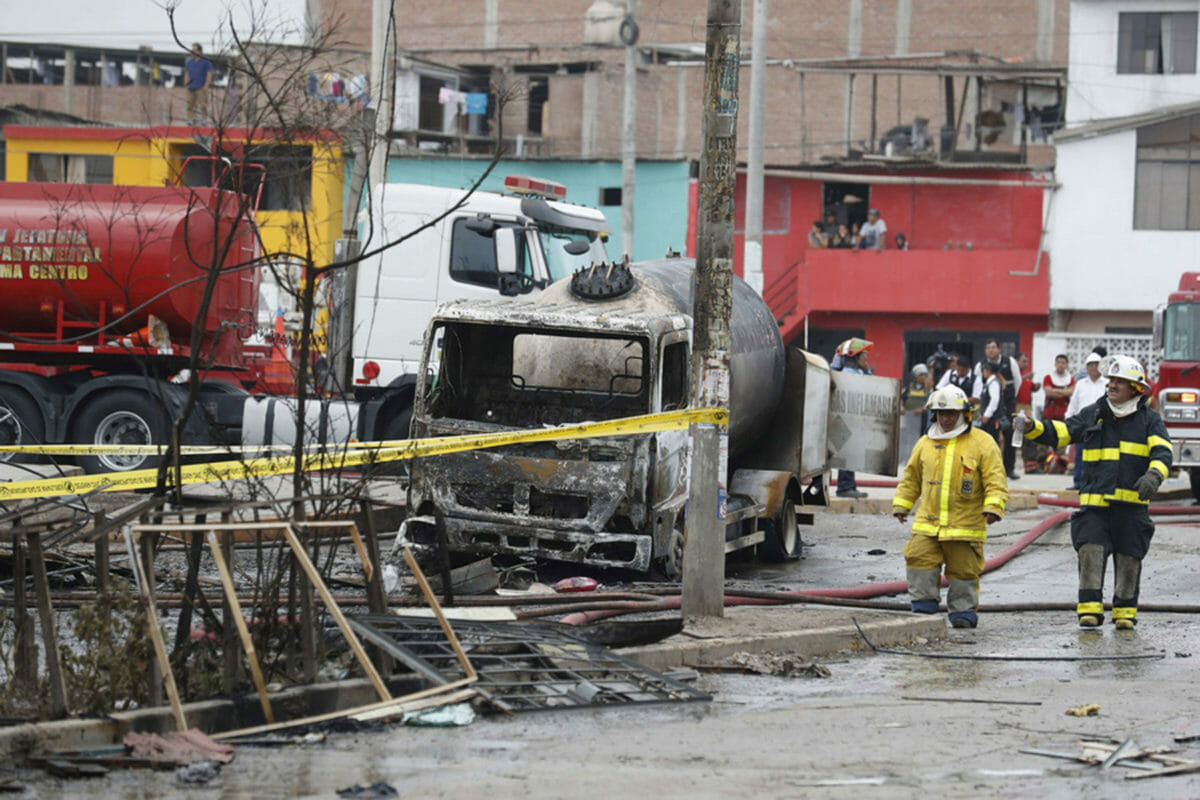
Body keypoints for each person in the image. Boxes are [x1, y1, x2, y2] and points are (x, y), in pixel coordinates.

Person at [1015, 356, 1171, 629]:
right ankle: (1089, 610)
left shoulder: (1149, 420)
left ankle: (1124, 613)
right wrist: (1032, 427)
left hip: (1131, 508)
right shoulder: (1095, 412)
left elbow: (1163, 452)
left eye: (1119, 381)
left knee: (1129, 558)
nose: (1112, 385)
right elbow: (1062, 432)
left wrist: (1154, 475)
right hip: (1095, 506)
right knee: (1090, 551)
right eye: (1111, 380)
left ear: (1135, 388)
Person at [893, 385, 1008, 628]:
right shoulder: (925, 442)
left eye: (951, 414)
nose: (946, 419)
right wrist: (902, 505)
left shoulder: (982, 442)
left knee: (963, 571)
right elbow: (911, 478)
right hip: (927, 524)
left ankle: (962, 614)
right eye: (941, 414)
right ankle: (924, 610)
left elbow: (995, 480)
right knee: (919, 560)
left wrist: (994, 507)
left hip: (964, 526)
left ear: (965, 414)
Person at [971, 339, 1021, 480]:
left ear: (999, 349)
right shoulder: (980, 366)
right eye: (988, 348)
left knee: (1010, 435)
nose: (991, 350)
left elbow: (1018, 381)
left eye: (993, 347)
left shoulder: (1009, 361)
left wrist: (1009, 399)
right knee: (988, 439)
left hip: (1008, 405)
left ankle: (1009, 468)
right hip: (990, 409)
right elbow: (978, 387)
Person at [831, 337, 873, 498]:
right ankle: (845, 487)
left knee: (851, 453)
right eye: (864, 356)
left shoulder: (853, 372)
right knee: (848, 453)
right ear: (854, 357)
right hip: (847, 420)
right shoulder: (850, 374)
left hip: (850, 420)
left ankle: (848, 486)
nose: (866, 359)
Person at [1064, 352, 1108, 490]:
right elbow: (1074, 404)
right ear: (1087, 368)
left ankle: (1098, 483)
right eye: (1091, 365)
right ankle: (1078, 482)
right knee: (1080, 454)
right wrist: (1068, 420)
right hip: (1083, 424)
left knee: (1101, 455)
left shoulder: (1107, 384)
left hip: (1102, 424)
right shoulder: (1081, 384)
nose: (1094, 368)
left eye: (1096, 365)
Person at [1040, 354, 1075, 473]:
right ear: (1055, 364)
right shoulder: (1048, 378)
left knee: (1062, 441)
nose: (1061, 364)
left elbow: (1071, 392)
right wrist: (1063, 391)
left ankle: (1060, 466)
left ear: (1066, 365)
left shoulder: (1071, 379)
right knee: (1044, 439)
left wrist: (1057, 391)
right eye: (1058, 362)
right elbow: (1048, 393)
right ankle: (1043, 465)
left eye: (1063, 362)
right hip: (1049, 413)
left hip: (1063, 414)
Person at [977, 361, 1008, 452]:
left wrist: (987, 415)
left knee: (992, 441)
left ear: (989, 371)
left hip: (993, 418)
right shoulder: (989, 383)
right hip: (989, 417)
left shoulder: (993, 383)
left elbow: (994, 400)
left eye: (985, 370)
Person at [184, 43, 214, 123]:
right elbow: (187, 73)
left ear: (199, 51)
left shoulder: (206, 62)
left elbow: (209, 74)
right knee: (190, 104)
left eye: (194, 50)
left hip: (201, 87)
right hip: (191, 87)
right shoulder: (189, 62)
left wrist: (206, 85)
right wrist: (186, 83)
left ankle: (204, 120)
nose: (192, 52)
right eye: (192, 50)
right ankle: (191, 119)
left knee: (203, 105)